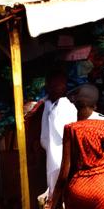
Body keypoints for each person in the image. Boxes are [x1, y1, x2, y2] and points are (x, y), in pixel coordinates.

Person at [39, 71, 77, 200]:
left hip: (62, 159)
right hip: (54, 157)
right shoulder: (50, 105)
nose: (54, 88)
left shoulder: (65, 107)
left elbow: (66, 137)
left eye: (58, 85)